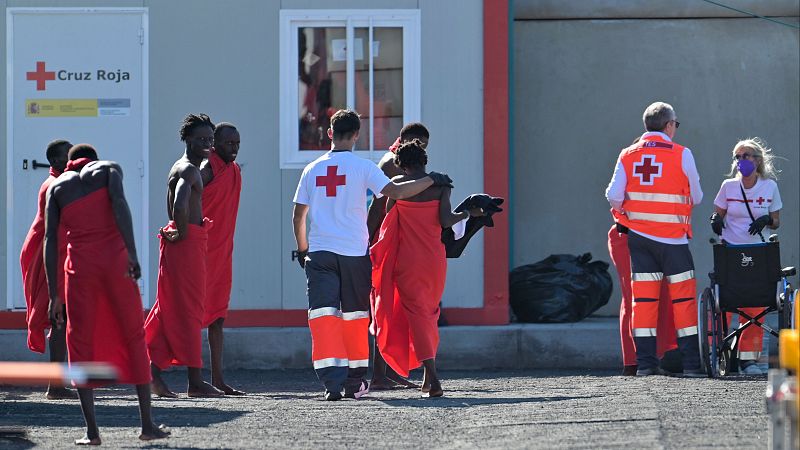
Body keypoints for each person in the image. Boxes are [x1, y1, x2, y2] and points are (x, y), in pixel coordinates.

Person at [292, 109, 453, 401]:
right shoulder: (364, 167)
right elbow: (395, 192)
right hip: (354, 253)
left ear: (329, 133)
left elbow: (298, 216)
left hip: (320, 253)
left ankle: (331, 384)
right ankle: (355, 383)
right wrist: (432, 180)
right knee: (355, 316)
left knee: (324, 316)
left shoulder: (311, 169)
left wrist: (303, 251)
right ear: (356, 135)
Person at [44, 144, 169, 444]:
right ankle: (147, 426)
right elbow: (119, 204)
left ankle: (92, 432)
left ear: (69, 163)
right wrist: (132, 254)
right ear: (93, 159)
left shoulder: (57, 187)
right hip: (115, 261)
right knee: (133, 334)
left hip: (80, 268)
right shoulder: (108, 169)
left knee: (80, 342)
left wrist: (53, 295)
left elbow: (50, 241)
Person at [371, 140, 483, 397]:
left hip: (407, 262)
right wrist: (467, 214)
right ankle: (427, 377)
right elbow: (445, 220)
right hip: (434, 261)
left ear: (401, 165)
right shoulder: (441, 186)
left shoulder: (397, 187)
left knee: (417, 314)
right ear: (424, 161)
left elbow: (388, 221)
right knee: (429, 314)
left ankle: (433, 377)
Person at [605, 101, 704, 377]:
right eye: (676, 124)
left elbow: (613, 195)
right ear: (669, 125)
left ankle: (646, 364)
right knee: (683, 303)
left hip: (640, 241)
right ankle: (692, 366)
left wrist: (632, 213)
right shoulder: (682, 154)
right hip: (673, 241)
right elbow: (697, 197)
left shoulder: (627, 154)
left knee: (644, 303)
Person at [144, 113, 222, 398]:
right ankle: (195, 381)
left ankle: (151, 371)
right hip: (186, 244)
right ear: (188, 139)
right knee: (190, 310)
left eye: (210, 140)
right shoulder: (188, 169)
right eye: (202, 139)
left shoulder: (182, 166)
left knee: (173, 307)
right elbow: (180, 201)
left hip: (183, 242)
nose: (208, 144)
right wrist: (183, 232)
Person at [366, 122, 431, 390]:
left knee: (391, 306)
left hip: (394, 238)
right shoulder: (393, 163)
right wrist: (370, 242)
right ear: (402, 139)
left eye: (423, 146)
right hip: (385, 239)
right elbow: (378, 208)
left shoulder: (400, 160)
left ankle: (386, 371)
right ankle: (379, 375)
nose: (418, 149)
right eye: (415, 143)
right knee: (383, 306)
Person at [710, 137, 782, 375]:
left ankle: (748, 361)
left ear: (758, 160)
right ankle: (720, 354)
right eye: (738, 157)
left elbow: (777, 221)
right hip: (731, 250)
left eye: (747, 155)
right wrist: (716, 221)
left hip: (758, 251)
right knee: (726, 305)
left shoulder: (769, 186)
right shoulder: (728, 186)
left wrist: (766, 220)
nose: (742, 160)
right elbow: (717, 214)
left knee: (754, 307)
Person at [608, 138, 678, 376]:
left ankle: (646, 359)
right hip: (633, 234)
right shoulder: (649, 163)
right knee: (637, 296)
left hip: (644, 234)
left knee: (646, 296)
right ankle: (638, 360)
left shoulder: (632, 161)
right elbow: (613, 196)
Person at [20, 139, 75, 399]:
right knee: (58, 318)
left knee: (64, 318)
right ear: (55, 161)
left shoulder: (59, 182)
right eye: (68, 156)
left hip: (55, 253)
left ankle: (61, 381)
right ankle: (55, 385)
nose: (73, 161)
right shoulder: (55, 185)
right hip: (48, 256)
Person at [200, 122, 244, 395]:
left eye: (238, 143)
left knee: (218, 317)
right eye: (229, 143)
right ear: (214, 143)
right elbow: (183, 202)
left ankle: (217, 379)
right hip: (200, 251)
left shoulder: (234, 170)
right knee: (188, 316)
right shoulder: (206, 169)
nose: (235, 149)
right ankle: (154, 371)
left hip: (222, 252)